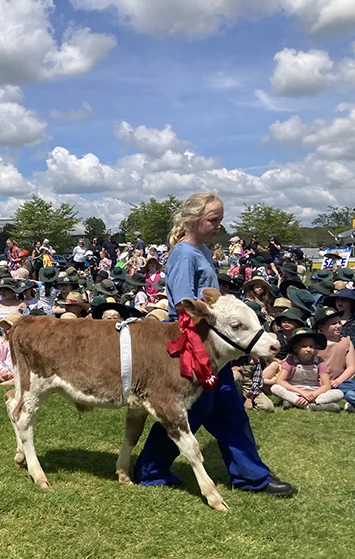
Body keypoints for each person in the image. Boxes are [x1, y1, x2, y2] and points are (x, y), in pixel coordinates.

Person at [133, 192, 294, 498]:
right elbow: (185, 307)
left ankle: (249, 476)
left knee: (222, 410)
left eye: (220, 218)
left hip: (212, 346)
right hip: (193, 346)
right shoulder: (183, 255)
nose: (219, 225)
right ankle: (152, 470)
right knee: (191, 412)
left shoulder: (203, 250)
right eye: (213, 219)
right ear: (193, 219)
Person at [271, 328, 344, 412]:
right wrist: (301, 392)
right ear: (295, 348)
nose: (309, 349)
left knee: (339, 393)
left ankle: (296, 403)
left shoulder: (319, 361)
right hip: (295, 391)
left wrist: (313, 395)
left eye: (311, 346)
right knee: (275, 388)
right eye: (304, 346)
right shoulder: (291, 361)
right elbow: (280, 381)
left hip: (315, 392)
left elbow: (326, 385)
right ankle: (311, 405)